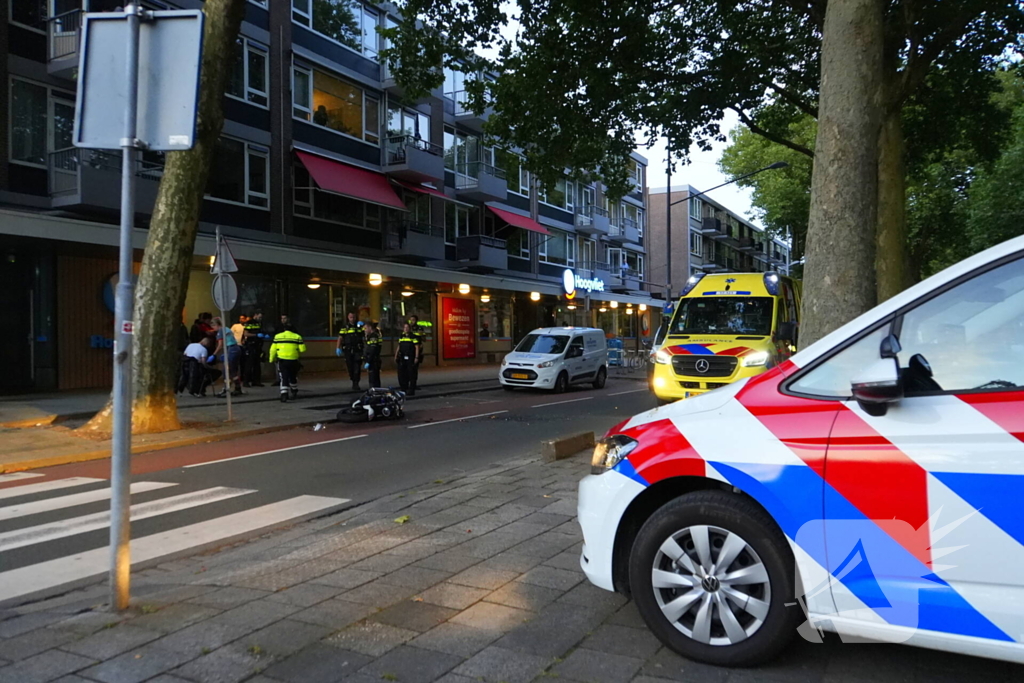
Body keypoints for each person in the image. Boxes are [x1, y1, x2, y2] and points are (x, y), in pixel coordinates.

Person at [269, 324, 306, 402]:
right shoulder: (297, 337)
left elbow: (272, 349)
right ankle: (294, 390)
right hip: (293, 360)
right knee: (293, 376)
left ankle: (284, 394)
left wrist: (271, 359)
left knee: (283, 376)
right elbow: (302, 349)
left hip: (282, 360)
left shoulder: (277, 336)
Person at [212, 317, 243, 397]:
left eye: (213, 326)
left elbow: (220, 344)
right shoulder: (226, 329)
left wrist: (214, 354)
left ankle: (226, 389)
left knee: (226, 370)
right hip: (236, 348)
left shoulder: (220, 331)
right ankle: (237, 387)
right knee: (233, 370)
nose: (213, 328)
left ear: (216, 325)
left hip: (231, 349)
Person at [335, 312, 364, 391]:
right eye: (351, 317)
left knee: (357, 367)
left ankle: (356, 383)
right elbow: (340, 338)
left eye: (354, 317)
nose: (352, 319)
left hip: (357, 350)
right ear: (348, 317)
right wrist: (338, 347)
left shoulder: (359, 326)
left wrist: (363, 326)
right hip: (348, 350)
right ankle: (352, 378)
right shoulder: (345, 327)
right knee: (350, 367)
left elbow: (366, 334)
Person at [395, 322, 422, 396]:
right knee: (402, 373)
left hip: (410, 357)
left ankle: (411, 389)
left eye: (407, 327)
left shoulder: (413, 337)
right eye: (404, 327)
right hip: (402, 357)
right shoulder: (402, 336)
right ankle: (403, 388)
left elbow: (417, 347)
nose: (406, 329)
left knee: (411, 373)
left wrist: (416, 357)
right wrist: (396, 354)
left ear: (410, 329)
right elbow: (399, 346)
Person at [243, 311, 267, 387]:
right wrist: (256, 335)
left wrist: (264, 335)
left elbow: (261, 331)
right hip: (251, 345)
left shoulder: (260, 323)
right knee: (249, 364)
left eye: (261, 317)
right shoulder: (249, 322)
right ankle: (246, 381)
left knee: (257, 364)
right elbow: (246, 334)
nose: (260, 319)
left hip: (258, 346)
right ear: (255, 315)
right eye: (259, 317)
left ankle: (256, 381)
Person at [363, 320, 383, 388]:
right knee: (373, 378)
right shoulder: (371, 336)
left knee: (373, 379)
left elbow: (373, 350)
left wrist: (368, 361)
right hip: (373, 360)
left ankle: (375, 393)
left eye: (366, 328)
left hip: (373, 360)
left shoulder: (373, 337)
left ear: (370, 328)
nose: (364, 330)